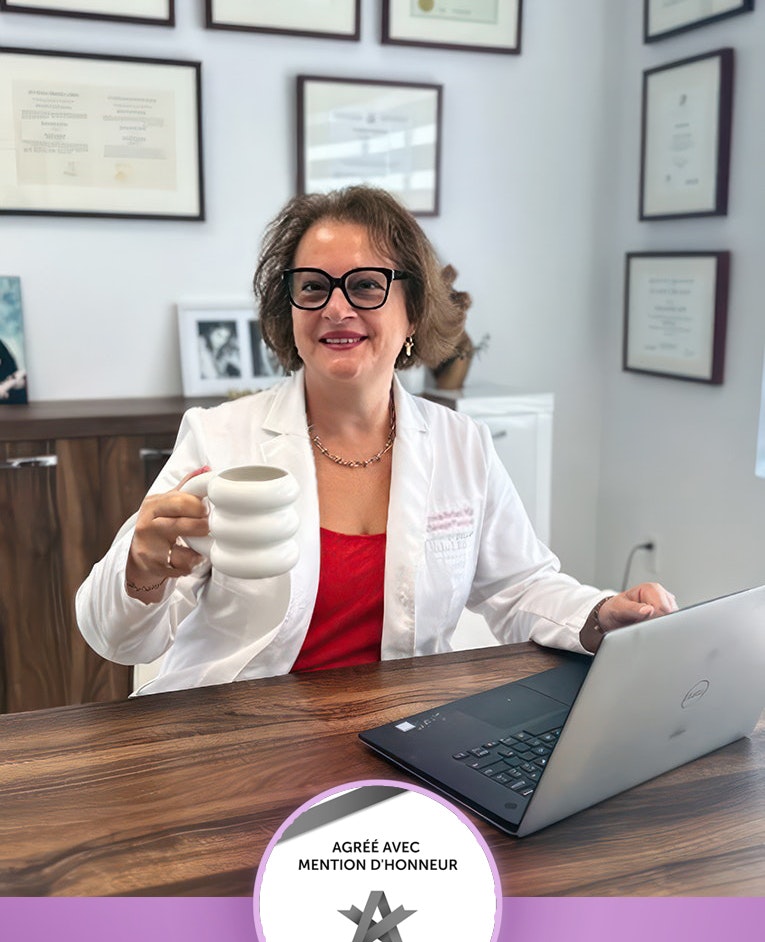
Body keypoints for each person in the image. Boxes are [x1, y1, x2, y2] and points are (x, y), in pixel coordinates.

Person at [76, 185, 677, 694]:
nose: (336, 308)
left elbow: (519, 585)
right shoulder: (219, 439)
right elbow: (116, 636)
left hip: (400, 739)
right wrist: (142, 568)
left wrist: (601, 615)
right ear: (289, 310)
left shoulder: (460, 444)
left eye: (365, 286)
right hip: (239, 740)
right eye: (313, 287)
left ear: (412, 311)